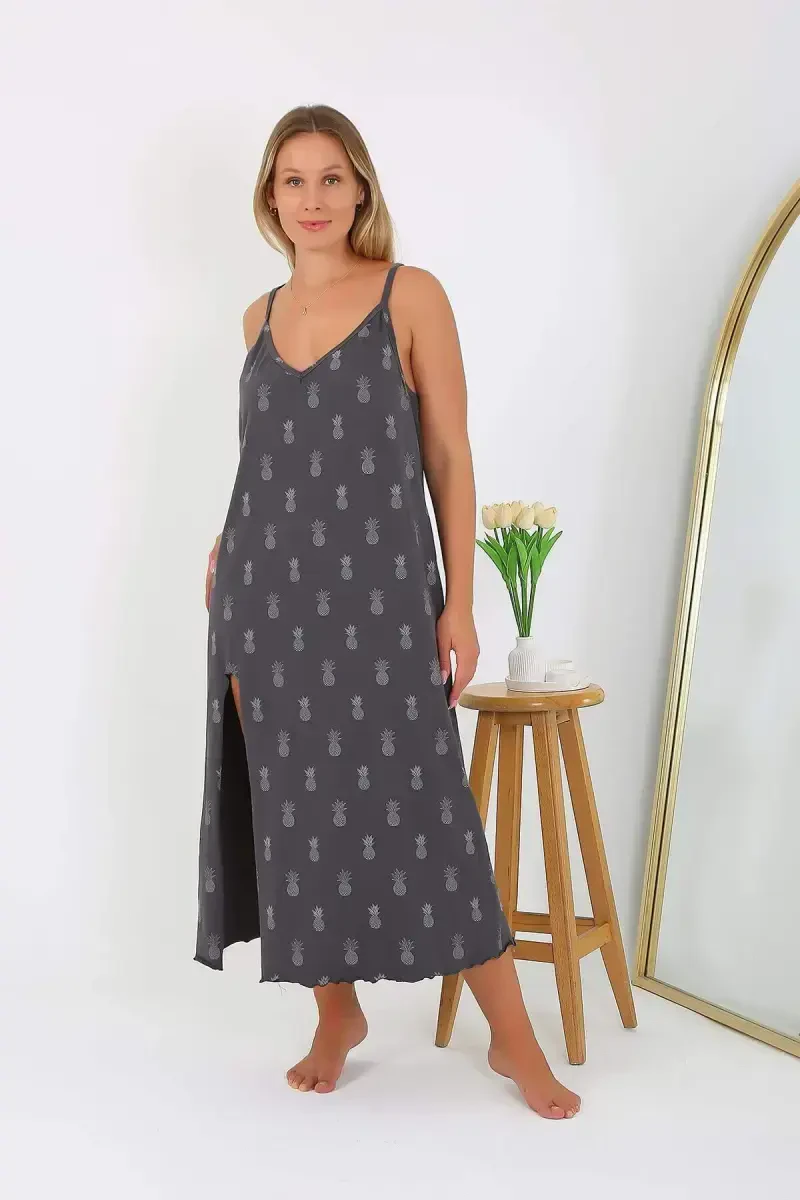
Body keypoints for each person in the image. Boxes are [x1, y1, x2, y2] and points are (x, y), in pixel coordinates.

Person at [196, 104, 580, 1120]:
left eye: (330, 178)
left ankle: (512, 1038)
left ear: (360, 186)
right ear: (270, 196)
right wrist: (226, 543)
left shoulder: (411, 295)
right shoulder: (254, 318)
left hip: (381, 605)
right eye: (292, 180)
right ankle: (337, 1014)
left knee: (429, 813)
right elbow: (265, 461)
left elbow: (448, 454)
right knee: (291, 813)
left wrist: (459, 604)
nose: (312, 199)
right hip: (265, 604)